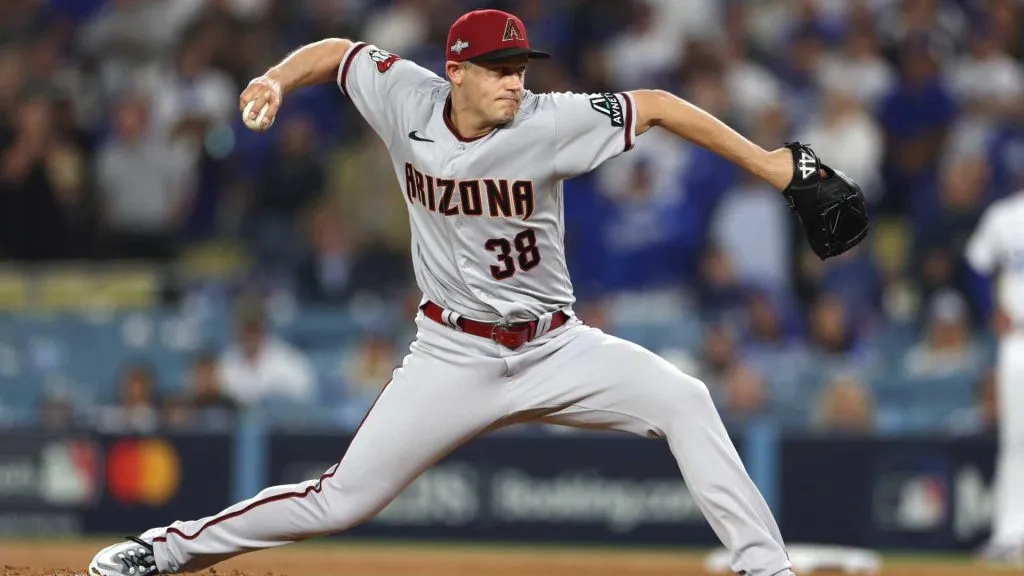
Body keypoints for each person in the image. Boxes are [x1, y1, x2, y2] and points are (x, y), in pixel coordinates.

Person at [88, 9, 859, 576]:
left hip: (556, 345)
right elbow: (337, 52)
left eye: (519, 67)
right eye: (498, 68)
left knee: (685, 399)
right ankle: (163, 551)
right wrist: (274, 77)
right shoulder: (406, 97)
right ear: (456, 71)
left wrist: (770, 165)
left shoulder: (548, 121)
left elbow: (656, 105)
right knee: (340, 500)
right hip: (452, 353)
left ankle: (766, 568)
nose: (514, 82)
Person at [964, 188, 1024, 565]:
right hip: (1018, 337)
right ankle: (1010, 534)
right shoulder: (1006, 216)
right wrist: (991, 309)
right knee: (1016, 440)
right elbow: (976, 263)